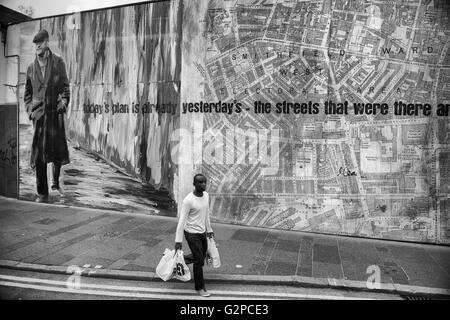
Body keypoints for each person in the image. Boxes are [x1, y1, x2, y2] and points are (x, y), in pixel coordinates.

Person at [24, 29, 70, 203]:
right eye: (35, 44)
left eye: (40, 43)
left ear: (46, 42)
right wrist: (30, 111)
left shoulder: (58, 62)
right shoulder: (30, 67)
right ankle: (42, 191)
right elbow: (27, 93)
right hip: (39, 116)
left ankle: (55, 182)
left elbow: (65, 88)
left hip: (54, 114)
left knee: (56, 151)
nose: (37, 46)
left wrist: (63, 102)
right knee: (39, 153)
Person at [175, 173, 214, 297]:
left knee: (201, 256)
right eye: (200, 182)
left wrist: (209, 229)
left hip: (202, 232)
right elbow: (181, 221)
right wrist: (178, 241)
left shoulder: (206, 196)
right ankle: (200, 287)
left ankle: (178, 261)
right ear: (194, 184)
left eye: (204, 182)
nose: (203, 184)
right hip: (191, 233)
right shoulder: (189, 200)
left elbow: (206, 214)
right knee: (199, 261)